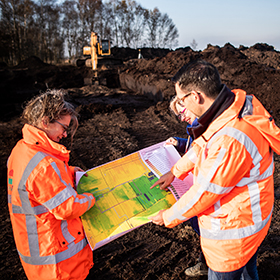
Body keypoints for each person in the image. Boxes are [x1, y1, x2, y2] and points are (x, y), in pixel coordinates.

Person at [150, 59, 280, 279]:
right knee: (249, 271)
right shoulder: (231, 109)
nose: (183, 106)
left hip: (233, 235)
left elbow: (204, 192)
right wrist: (176, 171)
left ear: (195, 96)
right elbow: (203, 145)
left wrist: (169, 216)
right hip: (249, 221)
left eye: (182, 99)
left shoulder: (231, 140)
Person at [7, 90, 95, 280]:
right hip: (57, 262)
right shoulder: (44, 165)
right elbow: (68, 208)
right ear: (45, 122)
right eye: (63, 127)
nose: (65, 134)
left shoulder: (21, 150)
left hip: (37, 251)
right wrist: (92, 197)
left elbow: (38, 186)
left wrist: (69, 172)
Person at [165, 97, 208, 276]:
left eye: (182, 112)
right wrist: (180, 143)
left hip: (204, 192)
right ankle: (205, 261)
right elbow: (193, 148)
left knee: (206, 230)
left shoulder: (205, 128)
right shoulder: (197, 128)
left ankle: (207, 264)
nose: (182, 118)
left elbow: (199, 152)